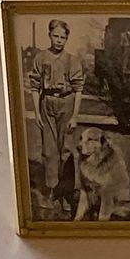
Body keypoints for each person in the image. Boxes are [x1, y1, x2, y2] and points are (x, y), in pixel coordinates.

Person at [29, 18, 86, 203]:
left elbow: (78, 90)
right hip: (47, 104)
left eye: (63, 37)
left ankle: (66, 192)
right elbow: (35, 87)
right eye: (56, 36)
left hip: (66, 103)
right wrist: (37, 113)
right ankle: (52, 190)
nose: (59, 40)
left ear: (67, 39)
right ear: (49, 35)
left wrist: (75, 116)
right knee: (49, 150)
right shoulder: (41, 58)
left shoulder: (72, 60)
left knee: (66, 150)